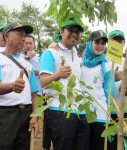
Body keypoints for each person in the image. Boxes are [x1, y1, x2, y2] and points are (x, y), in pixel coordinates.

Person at [0, 22, 39, 150]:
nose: (23, 38)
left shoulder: (27, 65)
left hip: (25, 115)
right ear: (7, 36)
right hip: (3, 115)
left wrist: (35, 116)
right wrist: (12, 86)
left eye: (25, 35)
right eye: (20, 34)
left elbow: (34, 93)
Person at [39, 18, 90, 150]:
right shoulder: (50, 53)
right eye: (70, 30)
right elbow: (42, 82)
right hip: (59, 110)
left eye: (77, 31)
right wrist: (58, 75)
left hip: (79, 111)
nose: (74, 34)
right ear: (61, 32)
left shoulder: (77, 58)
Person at [80, 30, 115, 150]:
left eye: (103, 43)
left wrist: (108, 112)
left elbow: (109, 91)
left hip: (100, 113)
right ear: (90, 43)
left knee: (98, 146)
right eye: (97, 42)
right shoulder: (80, 62)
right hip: (82, 112)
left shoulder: (107, 65)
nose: (100, 46)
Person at [107, 30, 127, 150]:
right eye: (114, 41)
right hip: (106, 112)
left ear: (124, 43)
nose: (117, 44)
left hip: (124, 113)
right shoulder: (103, 62)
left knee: (124, 145)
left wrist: (124, 86)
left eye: (120, 41)